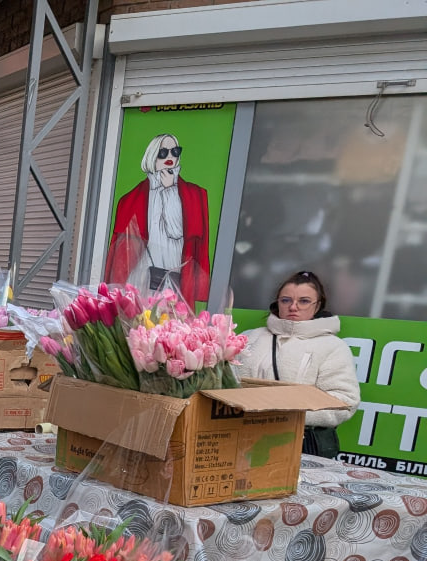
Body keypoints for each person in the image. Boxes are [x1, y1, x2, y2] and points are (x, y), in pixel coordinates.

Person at [236, 270, 359, 458]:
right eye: (286, 300)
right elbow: (226, 382)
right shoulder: (251, 337)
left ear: (317, 306)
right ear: (277, 303)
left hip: (295, 444)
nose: (293, 307)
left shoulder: (333, 347)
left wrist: (286, 411)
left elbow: (344, 402)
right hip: (240, 437)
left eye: (304, 301)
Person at [104, 132, 210, 306]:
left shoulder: (194, 194)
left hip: (175, 277)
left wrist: (169, 190)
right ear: (152, 155)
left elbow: (176, 231)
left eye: (175, 151)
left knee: (171, 326)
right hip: (142, 276)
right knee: (137, 325)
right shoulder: (130, 199)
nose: (170, 156)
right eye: (163, 152)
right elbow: (123, 251)